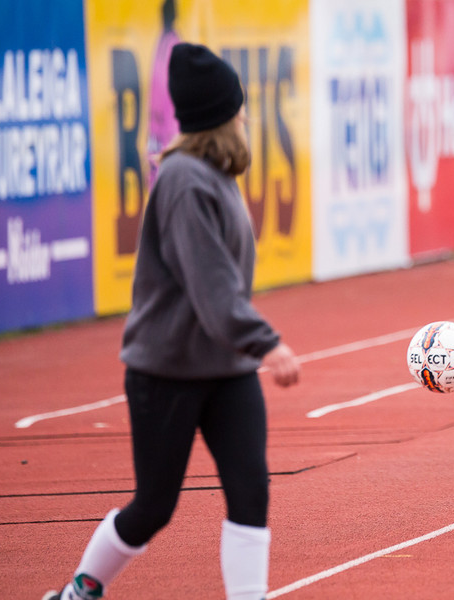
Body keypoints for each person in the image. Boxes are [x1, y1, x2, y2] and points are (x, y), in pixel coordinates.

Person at [44, 42, 300, 600]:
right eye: (238, 106)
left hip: (225, 369)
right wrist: (264, 342)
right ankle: (80, 590)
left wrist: (245, 346)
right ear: (221, 115)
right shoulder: (184, 179)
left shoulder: (215, 174)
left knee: (250, 492)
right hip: (166, 372)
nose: (245, 116)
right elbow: (211, 285)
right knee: (154, 506)